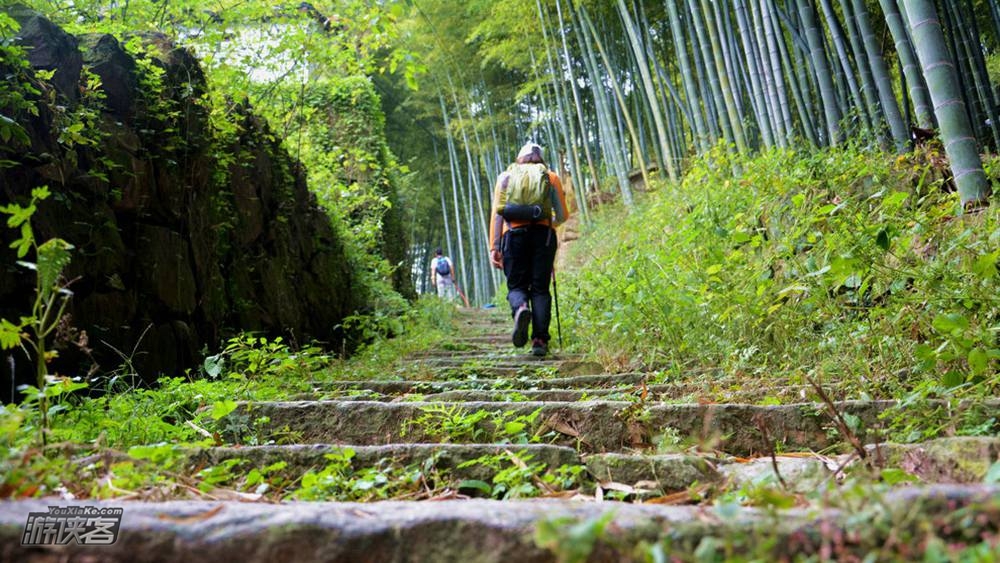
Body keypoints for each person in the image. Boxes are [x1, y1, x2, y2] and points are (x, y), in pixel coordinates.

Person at [488, 142, 569, 357]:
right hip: (543, 236)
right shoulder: (550, 177)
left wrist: (494, 247)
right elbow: (562, 216)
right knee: (540, 288)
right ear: (540, 158)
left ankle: (521, 308)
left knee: (516, 286)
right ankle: (540, 340)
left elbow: (497, 215)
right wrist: (546, 221)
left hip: (513, 236)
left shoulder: (505, 177)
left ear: (519, 158)